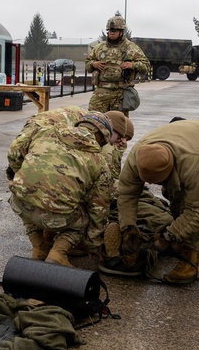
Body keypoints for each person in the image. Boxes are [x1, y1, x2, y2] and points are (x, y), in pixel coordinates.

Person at [108, 120, 199, 282]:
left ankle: (191, 263)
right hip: (186, 143)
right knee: (176, 203)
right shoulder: (137, 157)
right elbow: (127, 194)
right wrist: (128, 227)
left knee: (194, 207)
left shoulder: (194, 163)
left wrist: (169, 236)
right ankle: (183, 239)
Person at [8, 112, 119, 266]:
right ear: (102, 137)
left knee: (28, 195)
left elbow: (14, 151)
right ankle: (58, 253)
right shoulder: (99, 162)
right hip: (56, 215)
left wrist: (19, 174)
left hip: (19, 204)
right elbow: (99, 209)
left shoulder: (46, 131)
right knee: (85, 217)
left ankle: (39, 248)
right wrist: (92, 243)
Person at [85, 13, 149, 114]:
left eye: (114, 31)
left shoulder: (131, 48)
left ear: (122, 32)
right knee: (93, 118)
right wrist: (93, 64)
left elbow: (146, 66)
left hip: (120, 93)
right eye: (110, 31)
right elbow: (87, 63)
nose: (111, 33)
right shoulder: (100, 48)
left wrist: (132, 65)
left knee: (118, 124)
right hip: (101, 91)